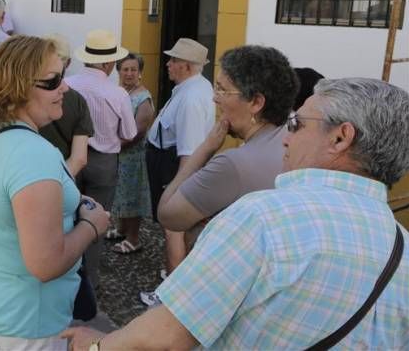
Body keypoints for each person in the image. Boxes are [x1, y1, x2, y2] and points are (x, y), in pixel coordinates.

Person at [63, 78, 409, 351]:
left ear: (340, 137)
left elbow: (166, 336)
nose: (286, 139)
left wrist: (94, 346)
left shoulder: (264, 217)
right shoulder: (403, 249)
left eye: (297, 123)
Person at [0, 35, 111, 350]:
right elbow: (45, 263)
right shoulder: (34, 154)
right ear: (18, 87)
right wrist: (92, 226)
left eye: (63, 76)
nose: (66, 87)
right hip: (29, 322)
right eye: (52, 80)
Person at [157, 46, 298, 253]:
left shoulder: (233, 165)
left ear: (256, 102)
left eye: (223, 89)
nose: (215, 98)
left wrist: (206, 148)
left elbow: (168, 215)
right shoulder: (290, 139)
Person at [142, 37, 213, 301]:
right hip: (167, 163)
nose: (168, 64)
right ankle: (177, 281)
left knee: (173, 228)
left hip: (172, 167)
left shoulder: (192, 98)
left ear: (186, 66)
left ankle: (172, 296)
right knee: (174, 228)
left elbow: (189, 150)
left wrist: (179, 188)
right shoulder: (192, 88)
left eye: (173, 60)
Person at [65, 29, 137, 288]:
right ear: (108, 63)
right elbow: (129, 133)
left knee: (68, 218)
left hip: (71, 157)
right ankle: (89, 281)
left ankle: (65, 276)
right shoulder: (118, 94)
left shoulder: (69, 84)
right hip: (104, 162)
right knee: (96, 222)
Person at [107, 53, 155, 255]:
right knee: (120, 195)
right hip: (117, 153)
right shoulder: (117, 92)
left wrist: (112, 146)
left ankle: (133, 239)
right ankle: (121, 229)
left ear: (140, 73)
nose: (129, 73)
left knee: (132, 197)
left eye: (133, 69)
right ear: (118, 71)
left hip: (132, 157)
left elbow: (136, 133)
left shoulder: (143, 98)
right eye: (125, 69)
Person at [39, 34, 94, 177]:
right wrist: (59, 183)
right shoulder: (77, 101)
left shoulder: (28, 95)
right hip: (67, 176)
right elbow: (79, 159)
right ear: (68, 63)